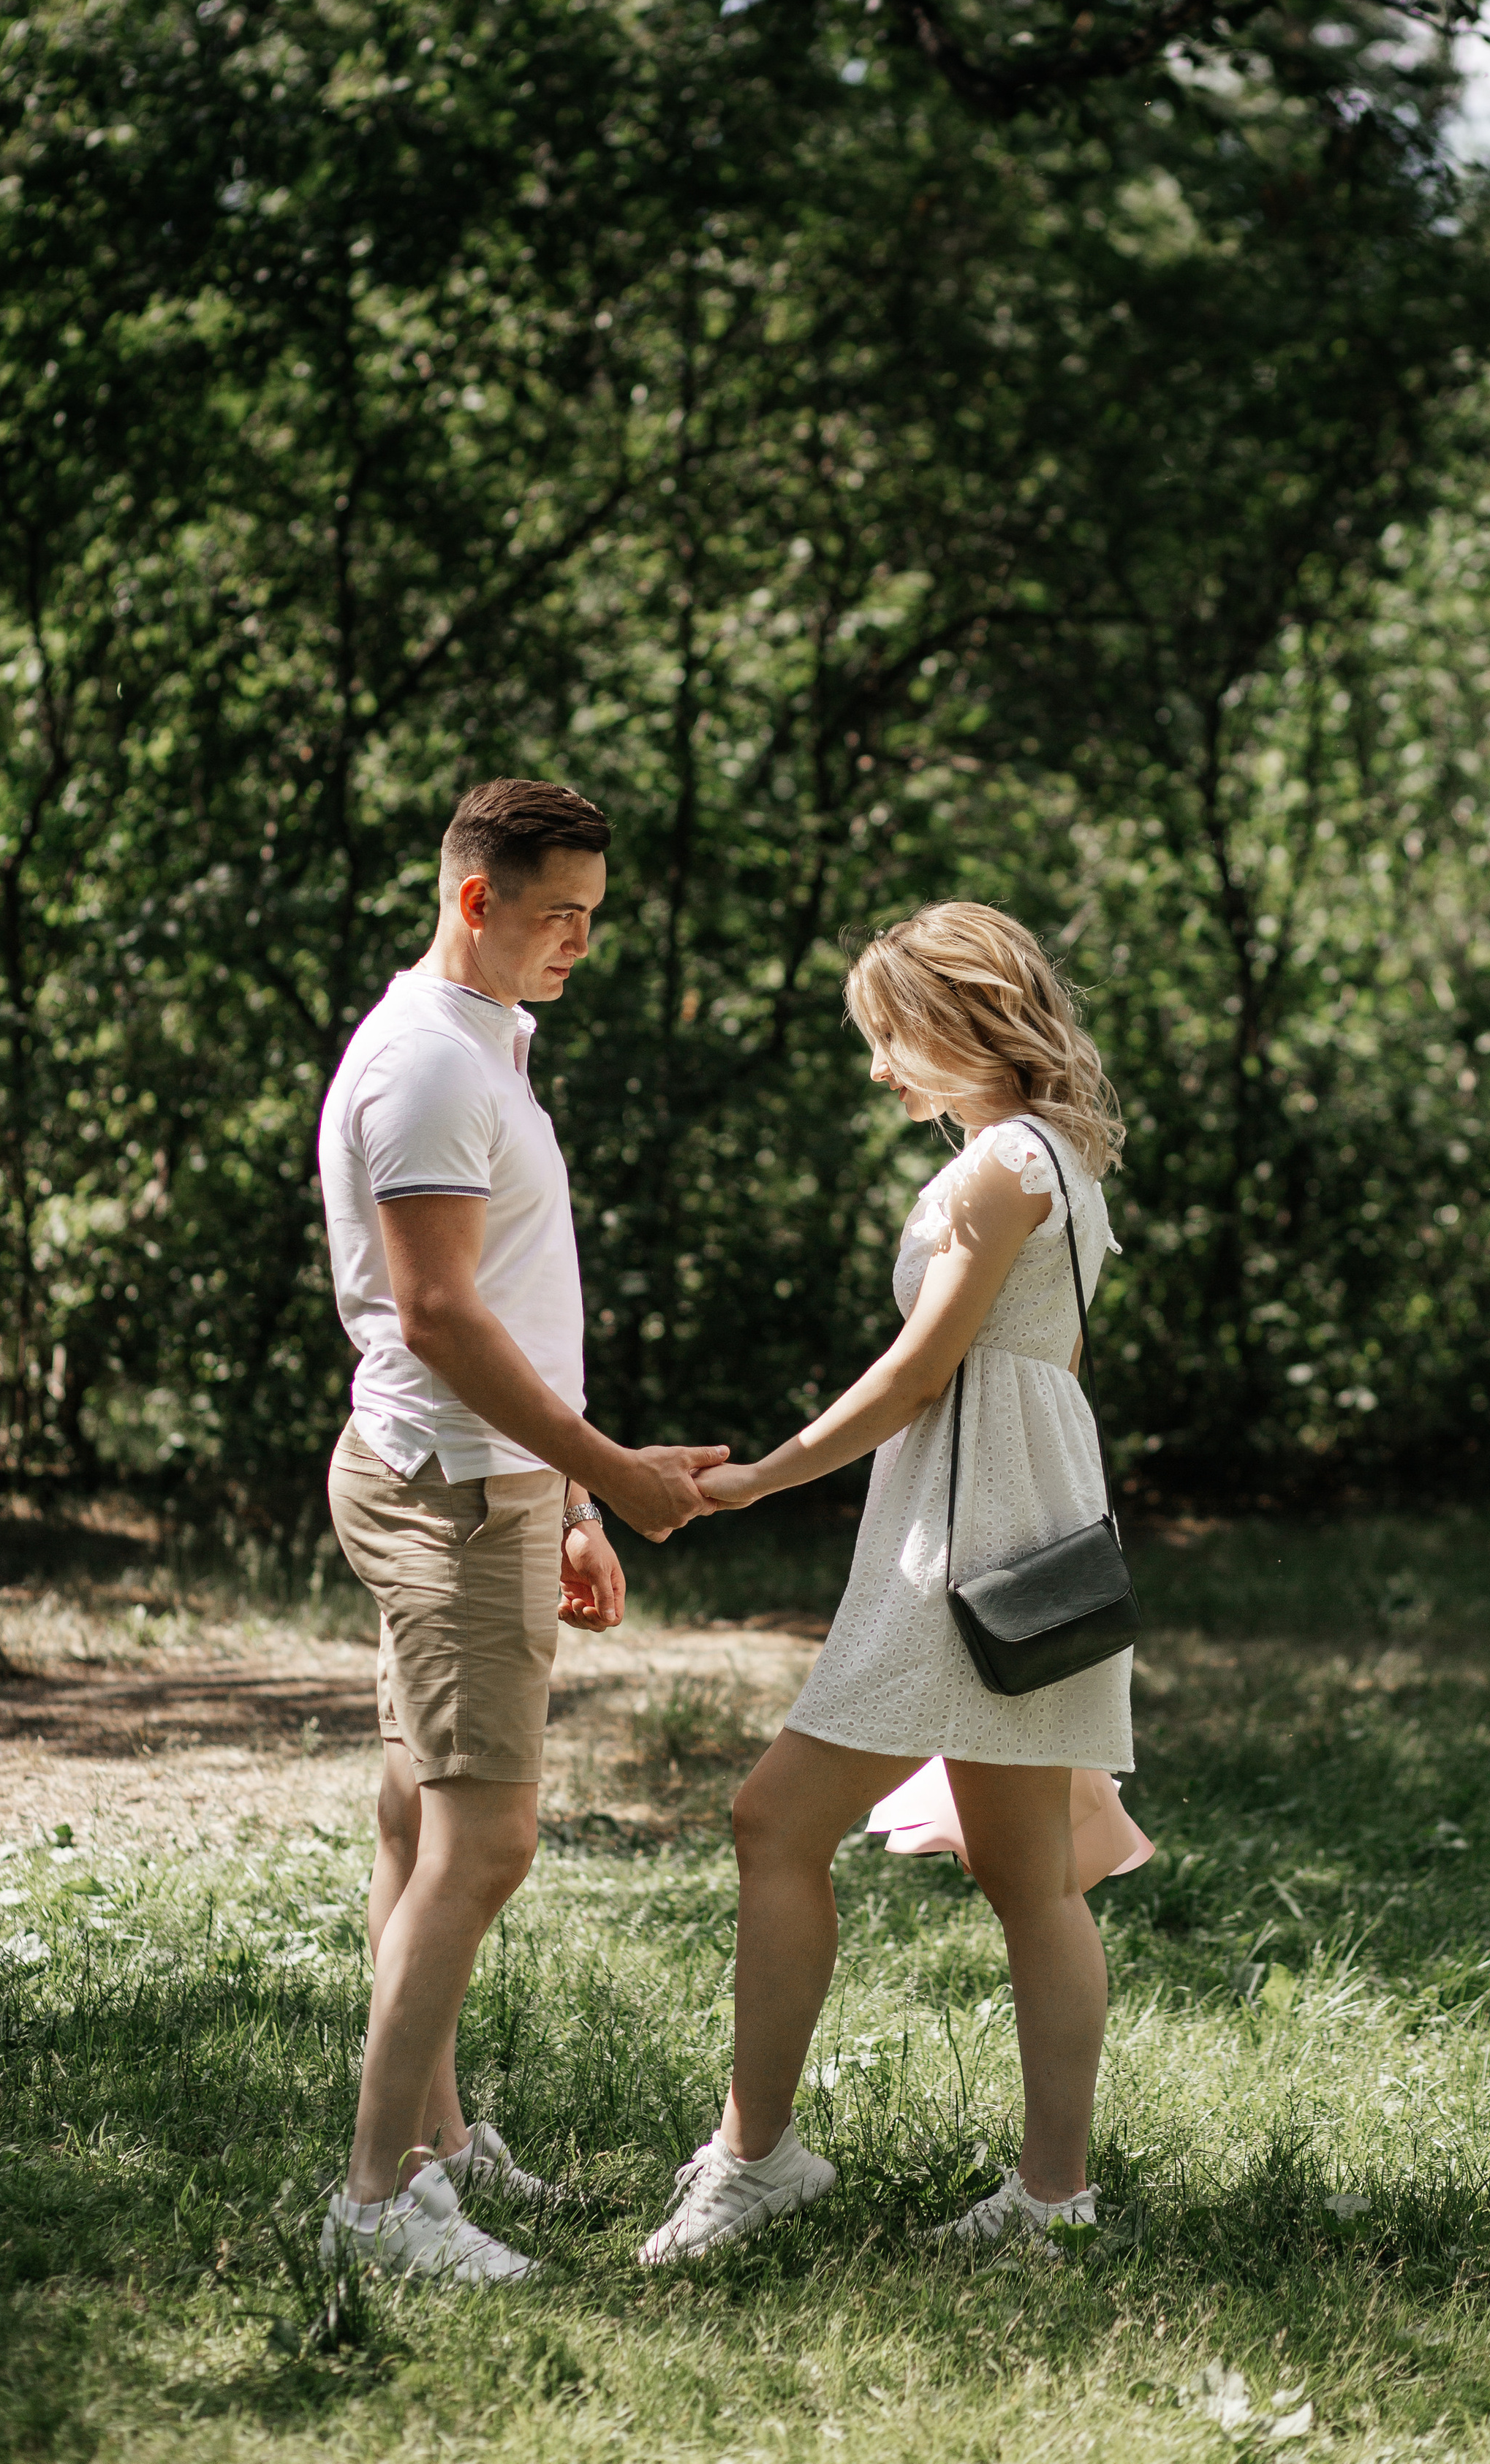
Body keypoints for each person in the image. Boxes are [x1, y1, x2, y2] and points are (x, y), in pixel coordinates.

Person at [638, 901, 1142, 2267]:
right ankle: (1052, 2200)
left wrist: (759, 1477)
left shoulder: (995, 1167)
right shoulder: (1065, 1158)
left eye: (889, 1037)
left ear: (963, 1016)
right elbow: (1038, 1369)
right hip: (1032, 1523)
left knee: (773, 1820)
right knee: (1033, 1881)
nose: (878, 1070)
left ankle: (758, 2156)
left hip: (966, 1541)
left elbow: (922, 1372)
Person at [314, 778, 728, 2283]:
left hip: (490, 1482)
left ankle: (432, 2145)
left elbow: (508, 1306)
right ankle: (374, 2208)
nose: (581, 943)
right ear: (475, 898)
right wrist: (606, 1470)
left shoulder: (481, 1047)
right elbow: (435, 1314)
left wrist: (565, 1496)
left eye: (594, 917)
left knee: (418, 1822)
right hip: (450, 1494)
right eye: (560, 914)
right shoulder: (428, 1066)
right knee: (482, 1842)